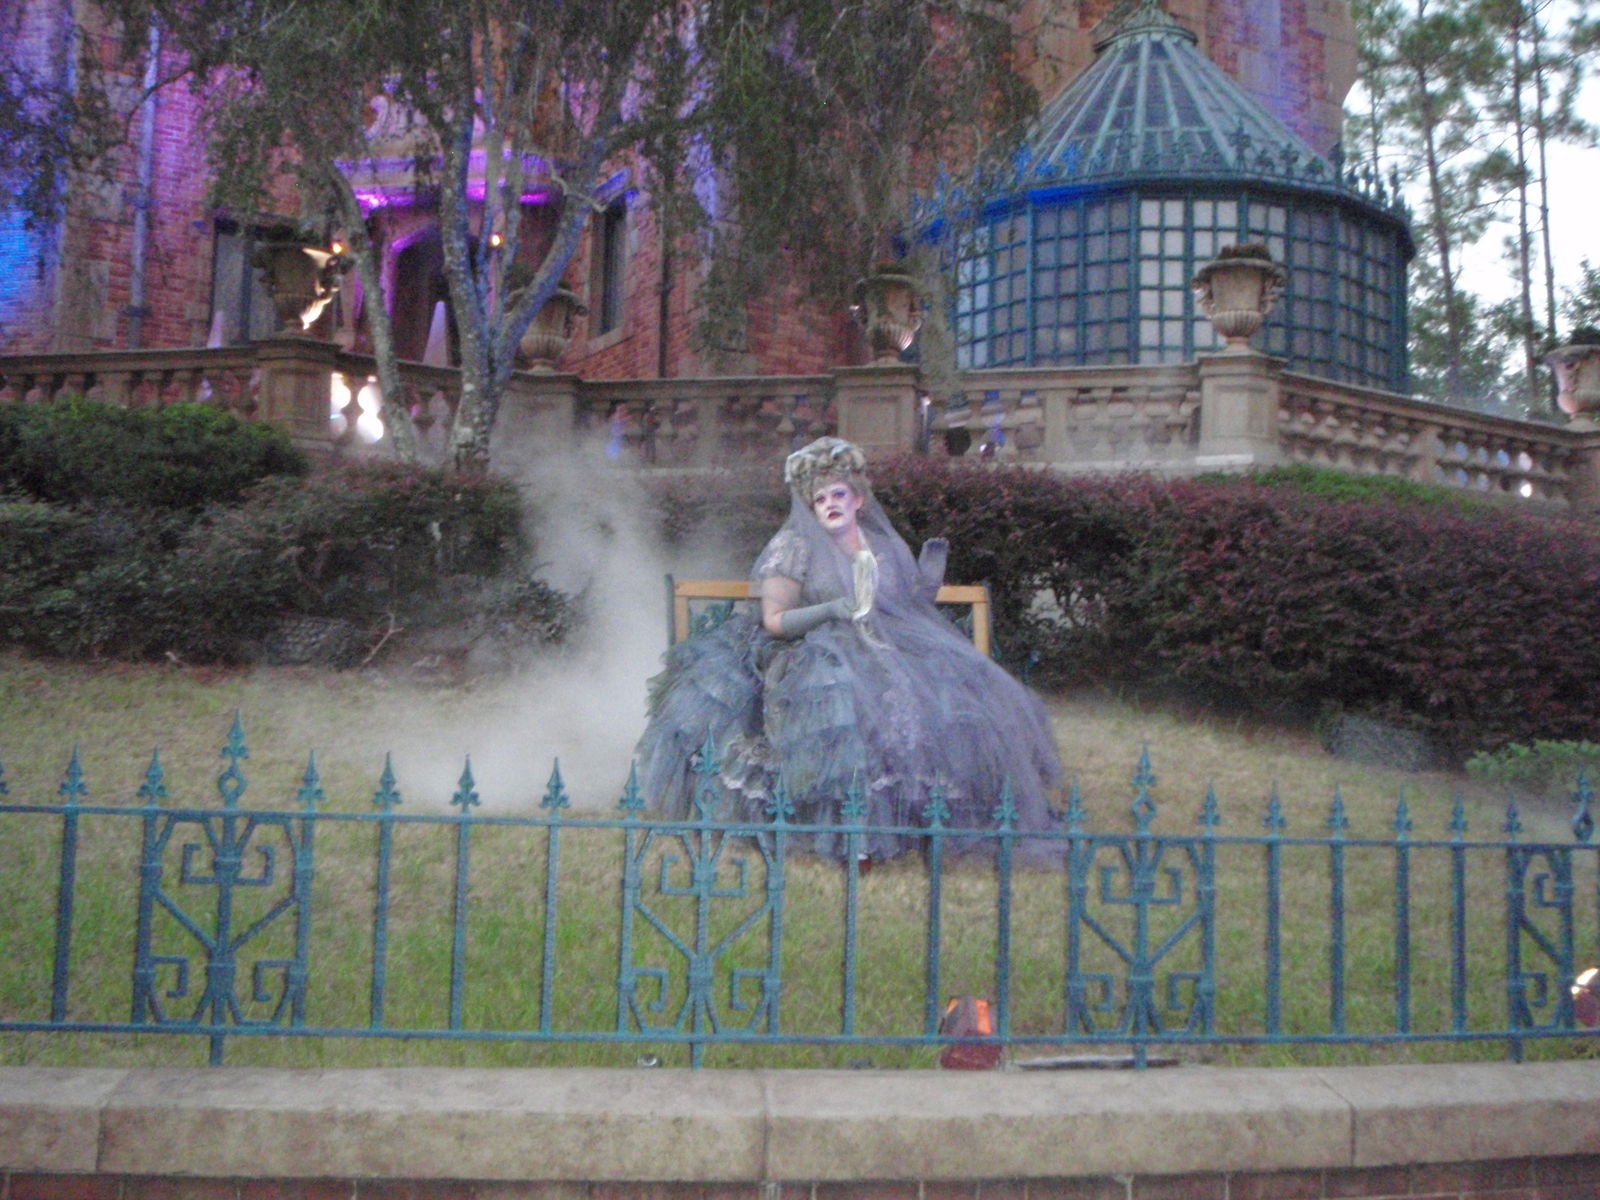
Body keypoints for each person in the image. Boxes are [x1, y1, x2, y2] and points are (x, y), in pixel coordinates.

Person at [637, 437, 1063, 860]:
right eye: (819, 499)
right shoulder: (794, 546)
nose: (829, 504)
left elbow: (904, 610)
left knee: (956, 685)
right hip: (808, 648)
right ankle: (847, 824)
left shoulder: (884, 546)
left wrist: (928, 581)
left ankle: (928, 813)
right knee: (842, 687)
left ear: (858, 499)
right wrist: (832, 609)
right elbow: (775, 621)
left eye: (837, 494)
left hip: (887, 643)